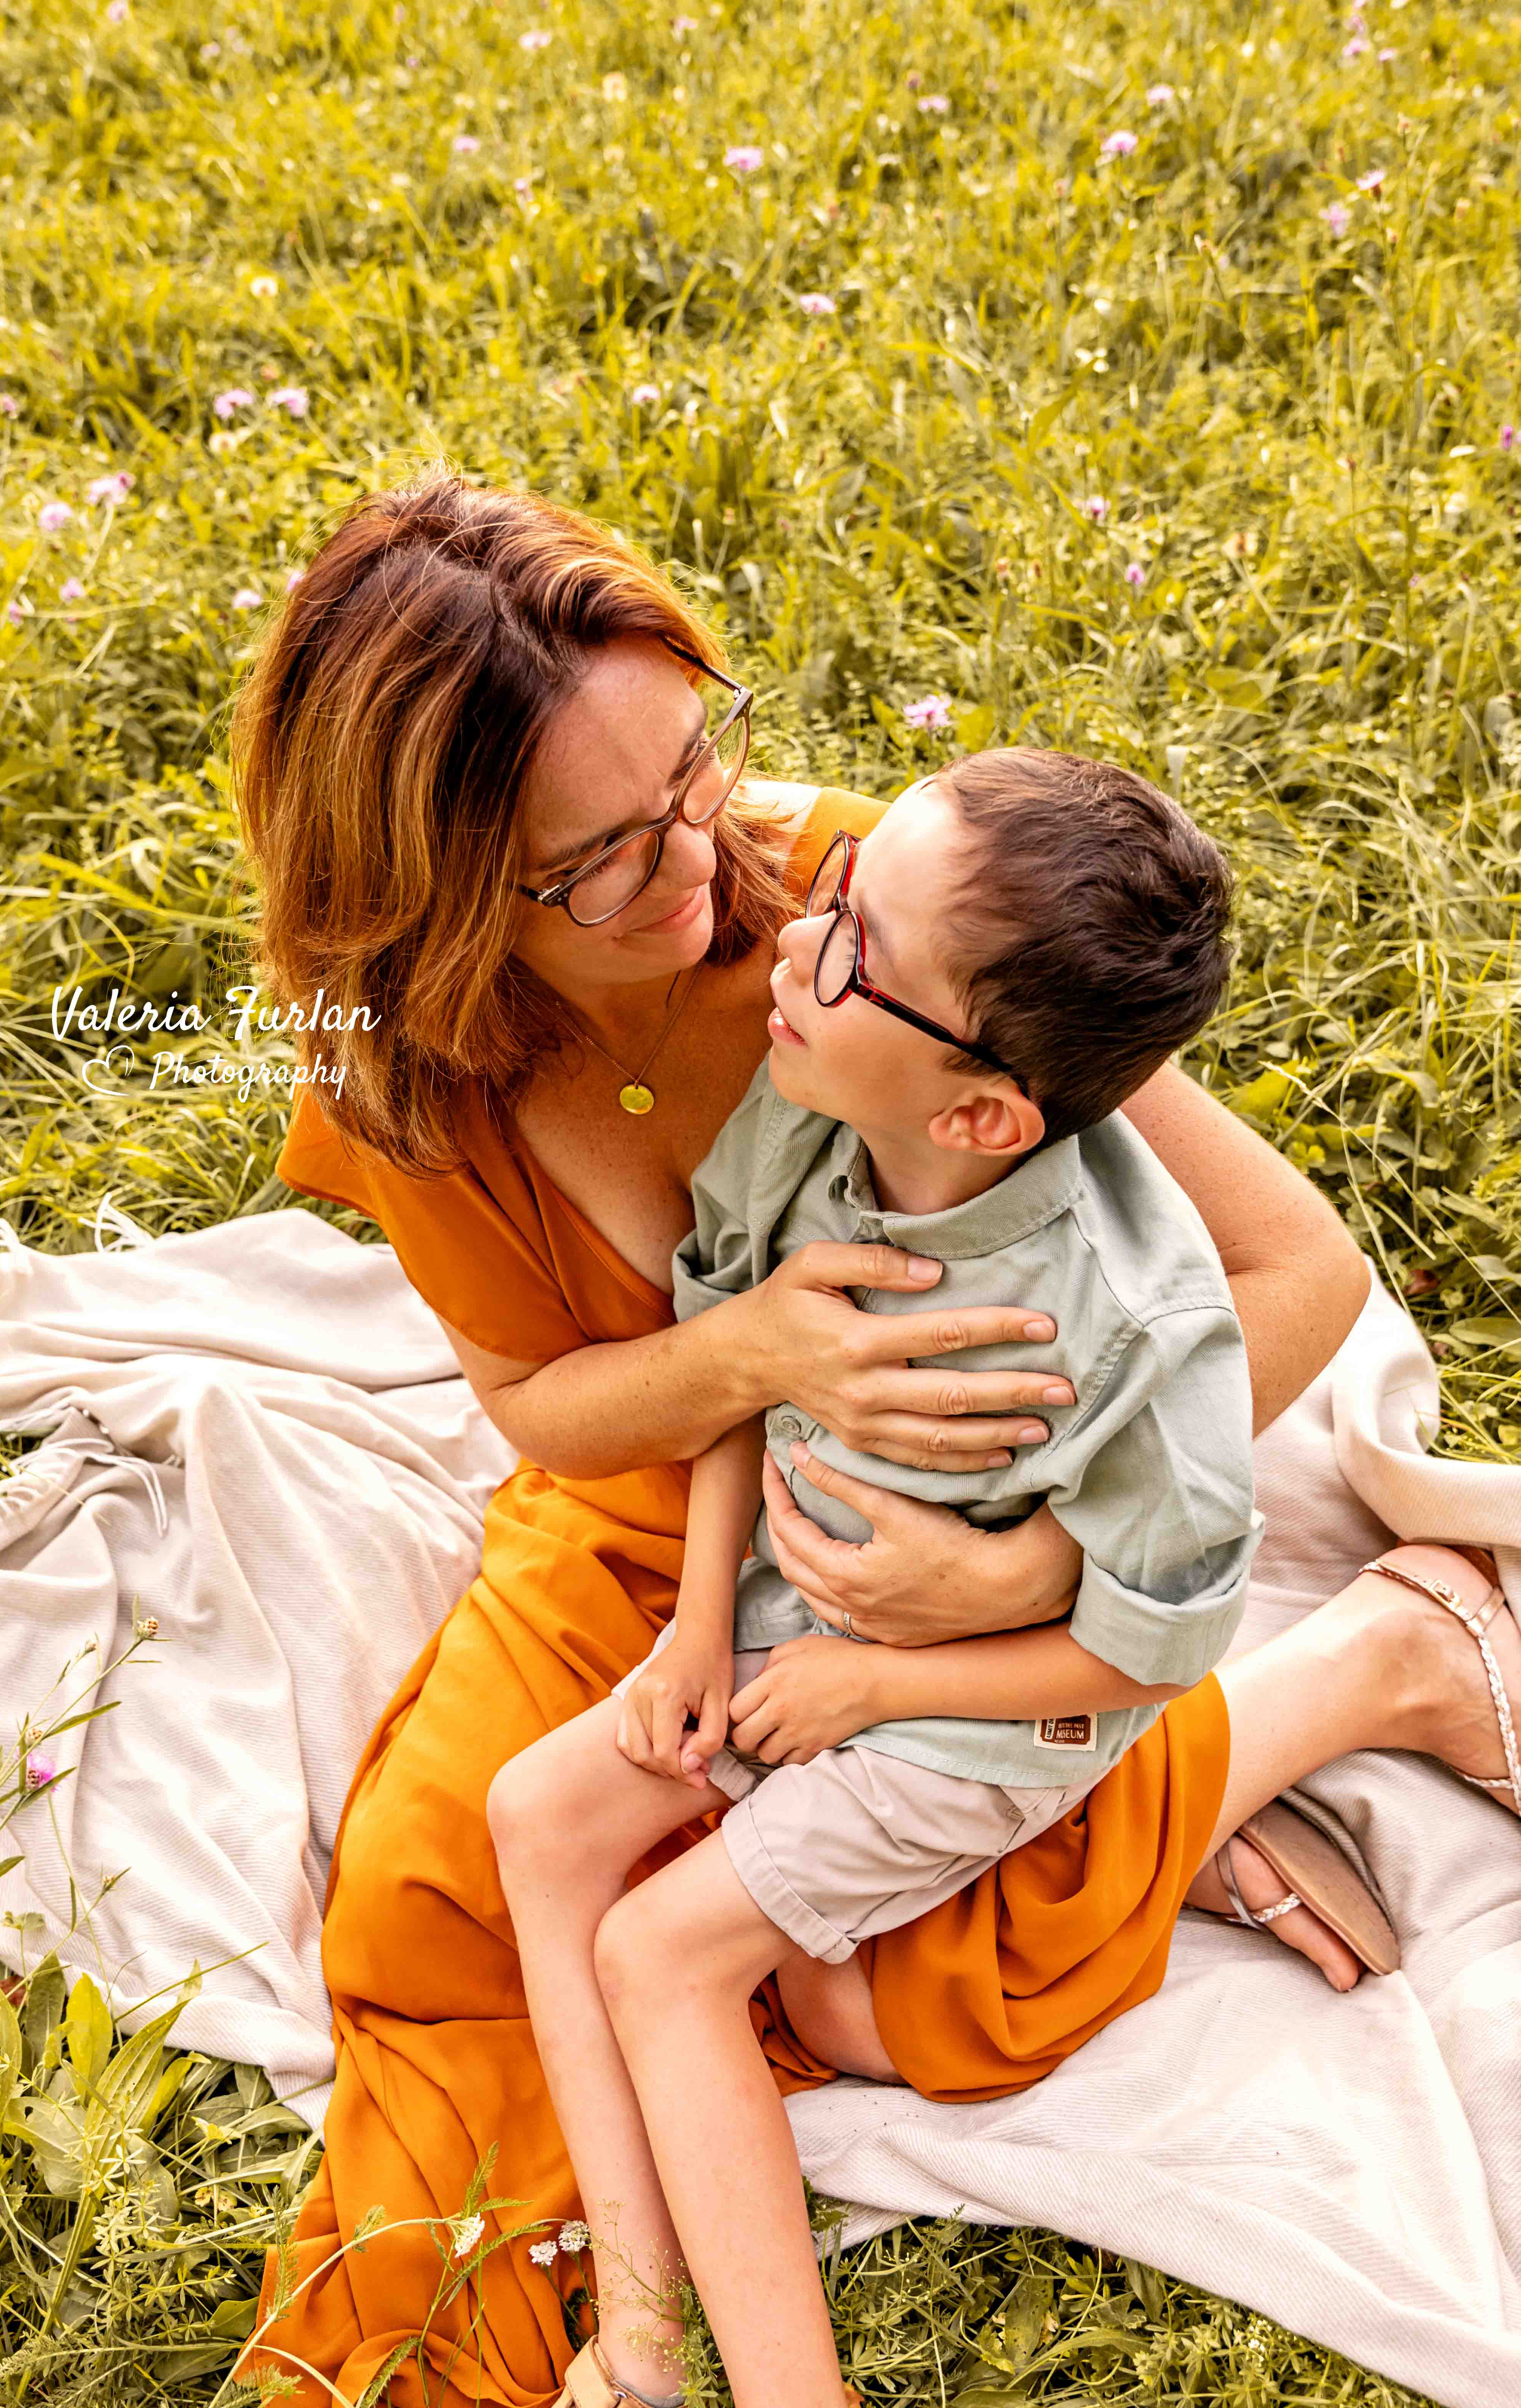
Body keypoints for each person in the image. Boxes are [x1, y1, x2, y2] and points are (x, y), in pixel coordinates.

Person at [229, 466, 1519, 2408]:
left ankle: (1368, 1667)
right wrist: (754, 1354)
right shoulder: (407, 1054)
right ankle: (622, 2333)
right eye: (598, 857)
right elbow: (533, 1407)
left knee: (912, 1989)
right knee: (442, 1899)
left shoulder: (868, 928)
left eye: (694, 770)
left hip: (975, 1542)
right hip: (659, 1525)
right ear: (430, 891)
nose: (696, 857)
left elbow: (1293, 1273)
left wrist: (1012, 1572)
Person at [491, 747, 1279, 2408]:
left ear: (983, 1111)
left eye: (857, 946)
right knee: (535, 1814)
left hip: (979, 1726)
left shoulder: (1137, 1330)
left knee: (664, 1949)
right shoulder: (807, 1115)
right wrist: (697, 1625)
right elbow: (730, 1375)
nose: (794, 941)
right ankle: (638, 2320)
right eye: (835, 893)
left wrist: (883, 1683)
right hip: (787, 1626)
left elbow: (1141, 1657)